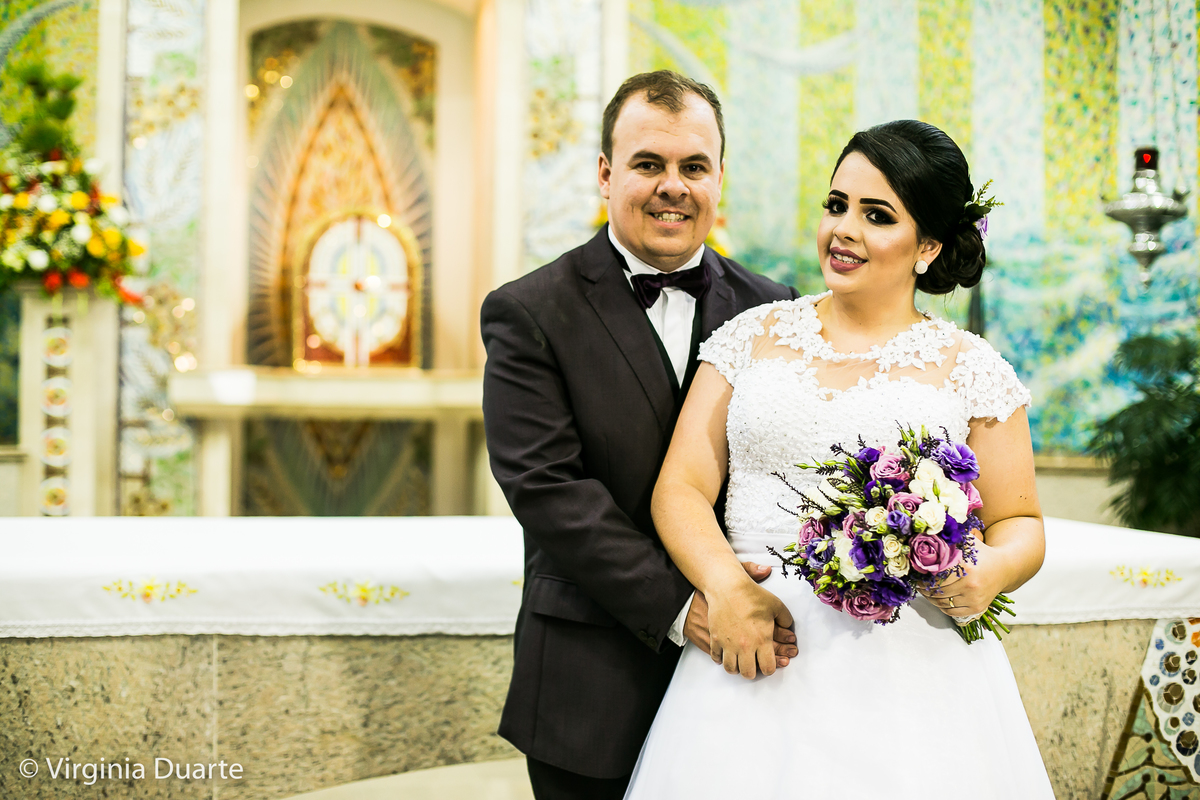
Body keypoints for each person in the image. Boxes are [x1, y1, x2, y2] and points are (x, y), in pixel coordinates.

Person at [623, 119, 1055, 798]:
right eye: (837, 205)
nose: (844, 230)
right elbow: (680, 486)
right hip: (753, 646)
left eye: (877, 215)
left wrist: (991, 571)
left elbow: (1020, 524)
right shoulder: (748, 338)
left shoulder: (973, 368)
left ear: (928, 246)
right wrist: (726, 587)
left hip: (911, 674)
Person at [480, 71, 799, 800]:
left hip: (750, 679)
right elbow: (550, 492)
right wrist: (691, 609)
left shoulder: (776, 310)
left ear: (720, 178)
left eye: (695, 166)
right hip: (594, 680)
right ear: (605, 174)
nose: (672, 187)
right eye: (648, 164)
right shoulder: (529, 312)